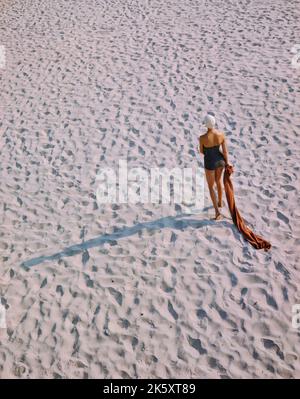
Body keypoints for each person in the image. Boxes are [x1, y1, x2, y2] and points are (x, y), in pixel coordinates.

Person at [198, 114, 230, 220]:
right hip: (220, 161)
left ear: (205, 125)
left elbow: (202, 152)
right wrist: (227, 163)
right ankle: (220, 202)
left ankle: (217, 212)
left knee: (211, 186)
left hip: (210, 162)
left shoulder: (202, 138)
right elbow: (225, 152)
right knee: (218, 182)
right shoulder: (221, 135)